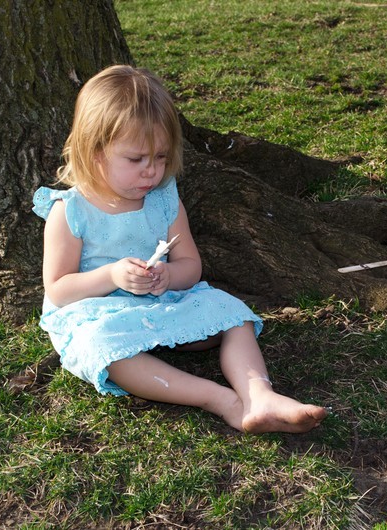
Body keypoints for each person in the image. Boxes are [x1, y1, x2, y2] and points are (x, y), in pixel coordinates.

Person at [32, 64, 327, 434]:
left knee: (233, 315)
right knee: (106, 351)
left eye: (160, 158)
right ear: (95, 152)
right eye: (136, 159)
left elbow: (191, 266)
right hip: (100, 317)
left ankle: (258, 394)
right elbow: (58, 289)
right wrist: (111, 275)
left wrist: (168, 275)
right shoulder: (70, 211)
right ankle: (221, 400)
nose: (151, 172)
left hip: (163, 303)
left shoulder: (163, 199)